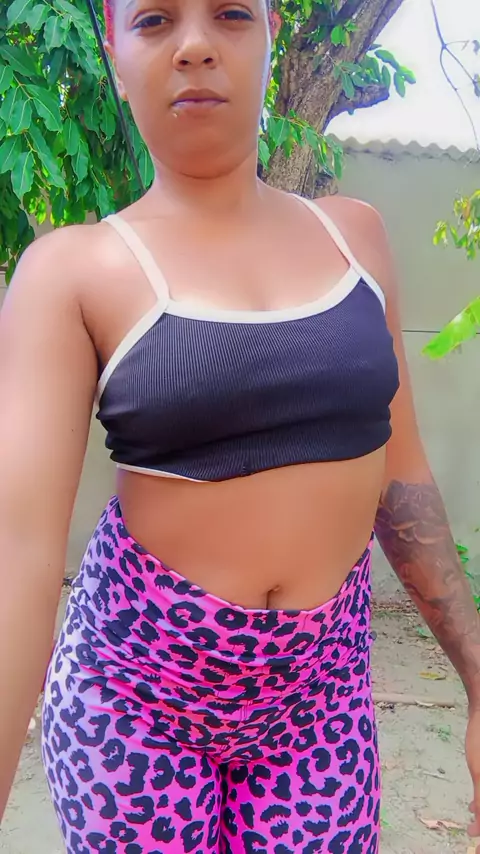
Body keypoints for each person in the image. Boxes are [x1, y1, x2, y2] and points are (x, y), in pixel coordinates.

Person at [1, 0, 480, 851]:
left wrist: (478, 679)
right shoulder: (72, 272)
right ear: (114, 52)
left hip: (319, 702)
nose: (194, 46)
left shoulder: (355, 240)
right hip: (135, 700)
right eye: (154, 21)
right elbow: (20, 557)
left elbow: (401, 475)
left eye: (229, 13)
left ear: (270, 35)